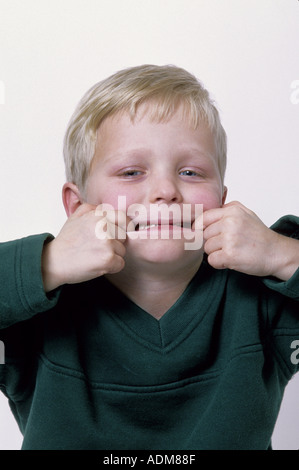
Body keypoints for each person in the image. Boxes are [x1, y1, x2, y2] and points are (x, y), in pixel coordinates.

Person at [0, 64, 299, 450]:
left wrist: (282, 255)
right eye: (131, 172)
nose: (165, 191)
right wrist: (48, 263)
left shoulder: (263, 300)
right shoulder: (33, 309)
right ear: (78, 207)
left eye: (191, 172)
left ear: (222, 203)